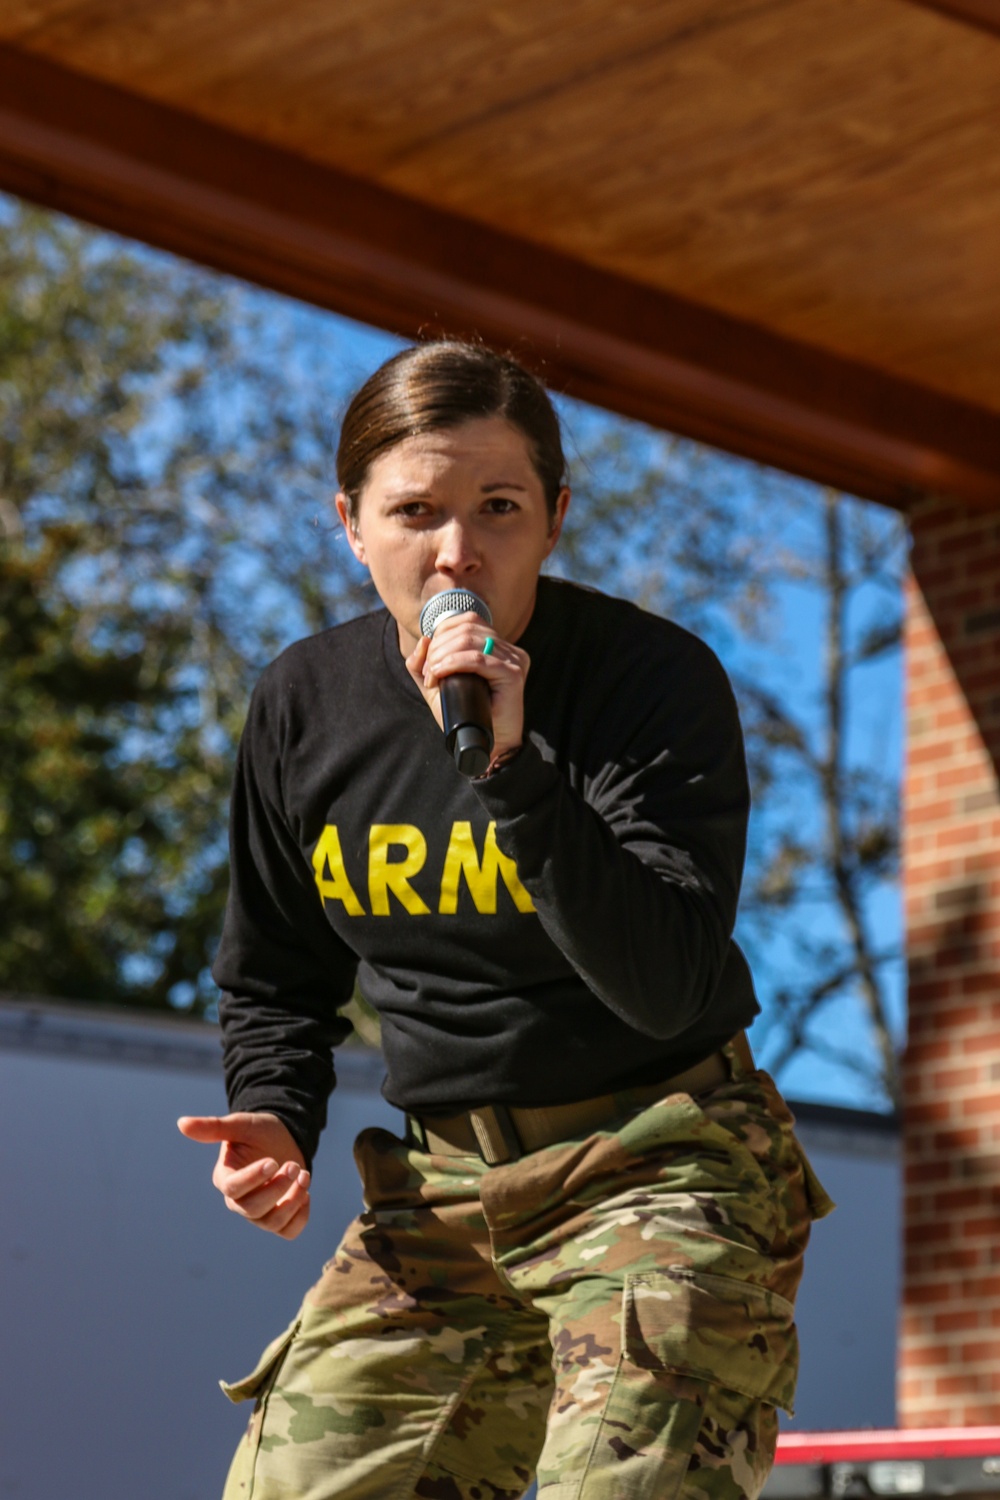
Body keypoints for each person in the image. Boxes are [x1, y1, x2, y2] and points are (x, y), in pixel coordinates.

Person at [179, 340, 832, 1500]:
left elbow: (667, 983)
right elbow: (276, 973)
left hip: (659, 1161)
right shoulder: (302, 703)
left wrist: (517, 771)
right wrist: (275, 1114)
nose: (455, 552)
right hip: (440, 1190)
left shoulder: (649, 680)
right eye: (414, 510)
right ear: (349, 521)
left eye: (497, 508)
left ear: (556, 516)